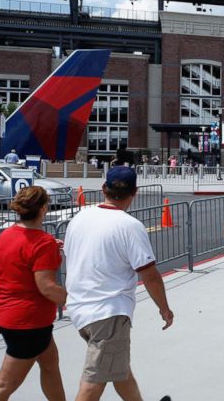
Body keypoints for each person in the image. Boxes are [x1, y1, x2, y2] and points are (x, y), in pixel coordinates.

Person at [63, 166, 174, 401]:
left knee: (118, 369)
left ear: (104, 188)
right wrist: (164, 308)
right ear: (135, 192)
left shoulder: (80, 217)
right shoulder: (130, 226)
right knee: (93, 383)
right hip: (107, 312)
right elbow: (149, 275)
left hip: (79, 308)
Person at [0, 187, 66, 401]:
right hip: (29, 321)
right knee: (3, 386)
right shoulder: (43, 243)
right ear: (44, 208)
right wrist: (73, 299)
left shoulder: (7, 234)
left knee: (50, 365)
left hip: (8, 313)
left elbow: (20, 257)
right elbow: (46, 286)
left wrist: (48, 249)